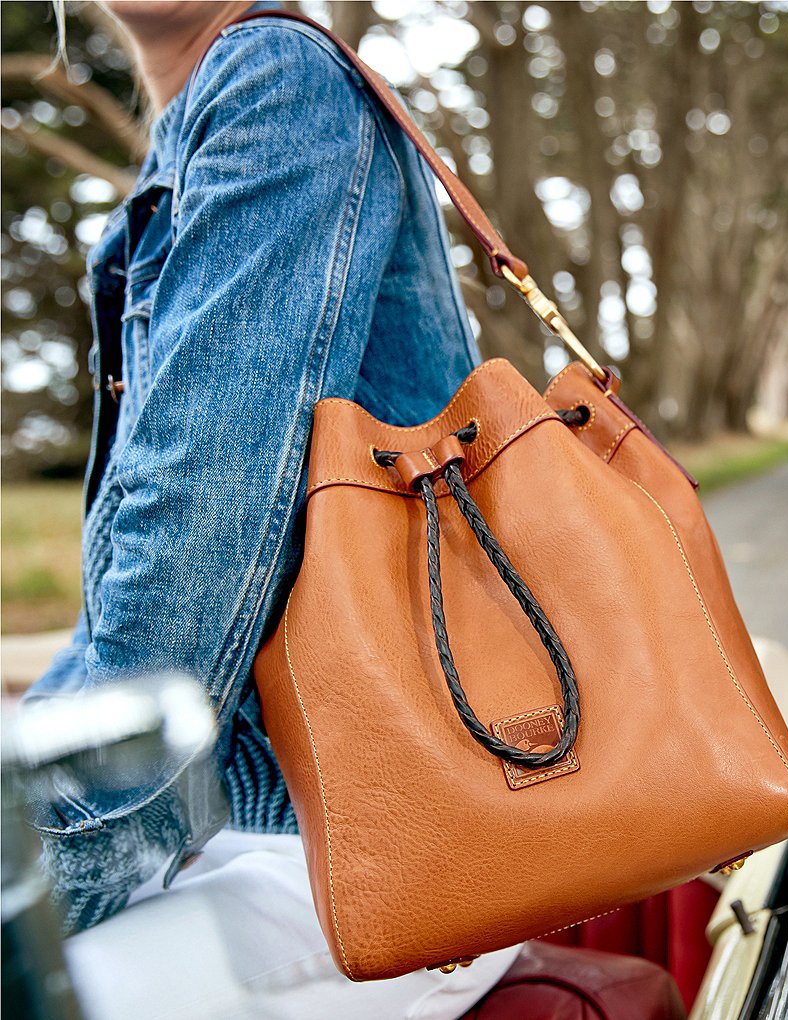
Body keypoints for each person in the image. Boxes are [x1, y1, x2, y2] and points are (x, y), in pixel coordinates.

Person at [26, 1, 521, 1015]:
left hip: (355, 843)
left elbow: (185, 578)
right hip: (252, 823)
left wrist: (39, 868)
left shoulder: (278, 80)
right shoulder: (196, 137)